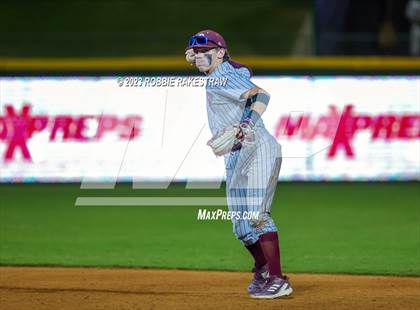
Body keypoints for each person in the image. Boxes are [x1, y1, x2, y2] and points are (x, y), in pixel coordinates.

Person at [185, 30, 293, 299]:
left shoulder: (221, 75)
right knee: (242, 226)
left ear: (220, 53)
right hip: (236, 155)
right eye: (195, 52)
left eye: (204, 50)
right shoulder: (222, 73)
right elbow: (243, 69)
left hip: (257, 149)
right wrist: (203, 59)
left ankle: (278, 279)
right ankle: (263, 268)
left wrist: (246, 125)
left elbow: (261, 96)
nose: (199, 56)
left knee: (256, 216)